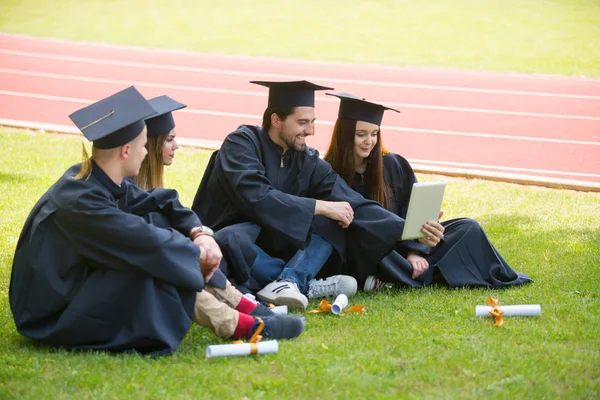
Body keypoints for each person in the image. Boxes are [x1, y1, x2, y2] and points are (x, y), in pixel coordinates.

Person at [9, 87, 304, 357]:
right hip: (54, 311)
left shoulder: (92, 177)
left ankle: (243, 307)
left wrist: (199, 233)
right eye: (142, 146)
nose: (147, 152)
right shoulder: (82, 203)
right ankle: (240, 324)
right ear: (126, 150)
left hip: (75, 283)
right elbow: (144, 241)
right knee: (154, 260)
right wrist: (199, 253)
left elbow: (161, 201)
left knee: (156, 222)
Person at [192, 80, 420, 310]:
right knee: (232, 240)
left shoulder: (306, 158)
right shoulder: (242, 143)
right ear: (276, 120)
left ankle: (289, 281)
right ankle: (302, 282)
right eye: (302, 122)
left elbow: (352, 200)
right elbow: (257, 196)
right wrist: (318, 206)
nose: (310, 131)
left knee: (336, 216)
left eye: (312, 122)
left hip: (281, 241)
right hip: (240, 239)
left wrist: (411, 229)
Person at [323, 93, 532, 289]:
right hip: (374, 250)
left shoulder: (393, 164)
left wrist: (418, 248)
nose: (369, 141)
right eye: (361, 135)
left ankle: (392, 277)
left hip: (407, 245)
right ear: (345, 135)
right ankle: (399, 274)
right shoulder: (328, 173)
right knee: (366, 247)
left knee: (469, 227)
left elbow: (416, 210)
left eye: (374, 134)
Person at [134, 94, 290, 338]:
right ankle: (248, 317)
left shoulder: (147, 194)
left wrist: (198, 234)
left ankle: (246, 307)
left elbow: (171, 204)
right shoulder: (121, 198)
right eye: (169, 139)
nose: (176, 146)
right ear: (150, 145)